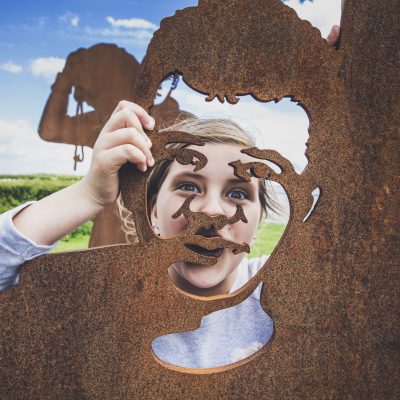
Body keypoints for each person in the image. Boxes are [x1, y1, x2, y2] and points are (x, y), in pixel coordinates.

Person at [0, 26, 342, 369]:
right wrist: (88, 194)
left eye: (238, 193)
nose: (211, 211)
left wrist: (353, 98)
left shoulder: (284, 291)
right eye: (189, 186)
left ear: (258, 221)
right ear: (151, 211)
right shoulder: (107, 296)